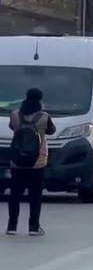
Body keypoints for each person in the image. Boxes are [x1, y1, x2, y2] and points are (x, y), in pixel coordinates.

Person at [6, 88, 56, 236]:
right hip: (37, 161)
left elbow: (12, 127)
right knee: (35, 194)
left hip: (17, 161)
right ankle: (33, 227)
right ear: (40, 100)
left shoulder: (15, 114)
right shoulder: (44, 117)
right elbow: (51, 130)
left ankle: (12, 226)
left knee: (15, 194)